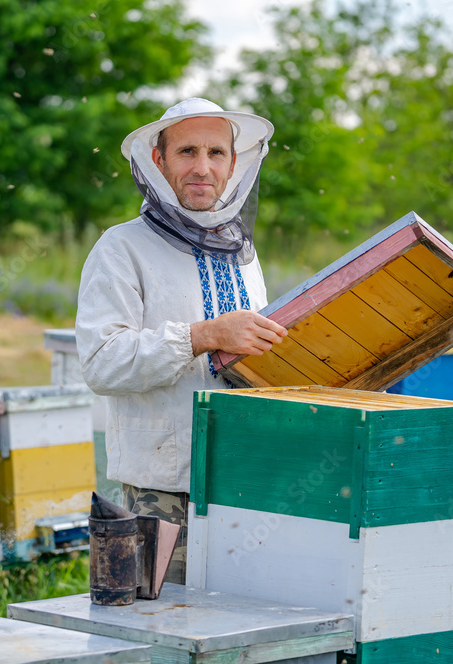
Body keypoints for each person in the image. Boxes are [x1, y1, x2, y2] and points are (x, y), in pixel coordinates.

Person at [76, 98, 287, 583]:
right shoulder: (121, 248)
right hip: (161, 492)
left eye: (216, 153)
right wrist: (203, 335)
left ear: (234, 164)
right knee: (162, 632)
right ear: (159, 160)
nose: (202, 167)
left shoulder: (243, 256)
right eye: (187, 151)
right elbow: (101, 362)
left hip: (244, 480)